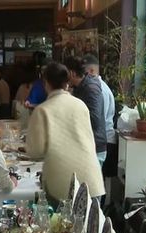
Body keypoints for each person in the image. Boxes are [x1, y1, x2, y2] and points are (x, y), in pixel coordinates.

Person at [26, 62, 105, 203]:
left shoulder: (43, 110)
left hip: (61, 184)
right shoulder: (80, 105)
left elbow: (35, 151)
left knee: (62, 225)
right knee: (92, 224)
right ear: (67, 83)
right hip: (91, 178)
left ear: (46, 83)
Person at [65, 56, 107, 166]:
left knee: (90, 183)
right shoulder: (80, 87)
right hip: (86, 144)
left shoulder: (91, 88)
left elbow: (95, 120)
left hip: (94, 147)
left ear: (72, 73)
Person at [82, 55, 117, 176]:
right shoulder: (97, 87)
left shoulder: (99, 89)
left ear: (91, 71)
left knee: (98, 184)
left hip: (104, 141)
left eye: (83, 73)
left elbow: (98, 118)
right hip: (103, 139)